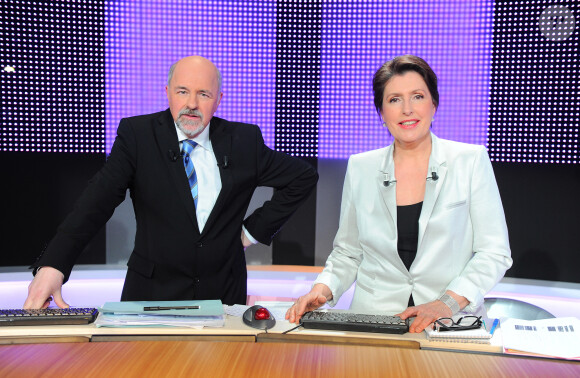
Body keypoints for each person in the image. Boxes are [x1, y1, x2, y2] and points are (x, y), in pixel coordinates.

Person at [24, 56, 318, 309]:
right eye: (182, 91)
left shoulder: (243, 141)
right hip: (150, 296)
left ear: (219, 100)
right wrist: (54, 265)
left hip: (222, 298)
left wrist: (251, 231)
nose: (191, 104)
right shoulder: (138, 135)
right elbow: (95, 202)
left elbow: (303, 177)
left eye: (203, 94)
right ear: (167, 93)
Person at [286, 55, 512, 333]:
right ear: (381, 112)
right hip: (374, 321)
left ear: (433, 104)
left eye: (417, 96)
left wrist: (446, 303)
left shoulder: (470, 160)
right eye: (394, 99)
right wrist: (322, 290)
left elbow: (494, 253)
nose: (407, 109)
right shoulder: (361, 167)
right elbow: (348, 252)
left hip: (449, 322)